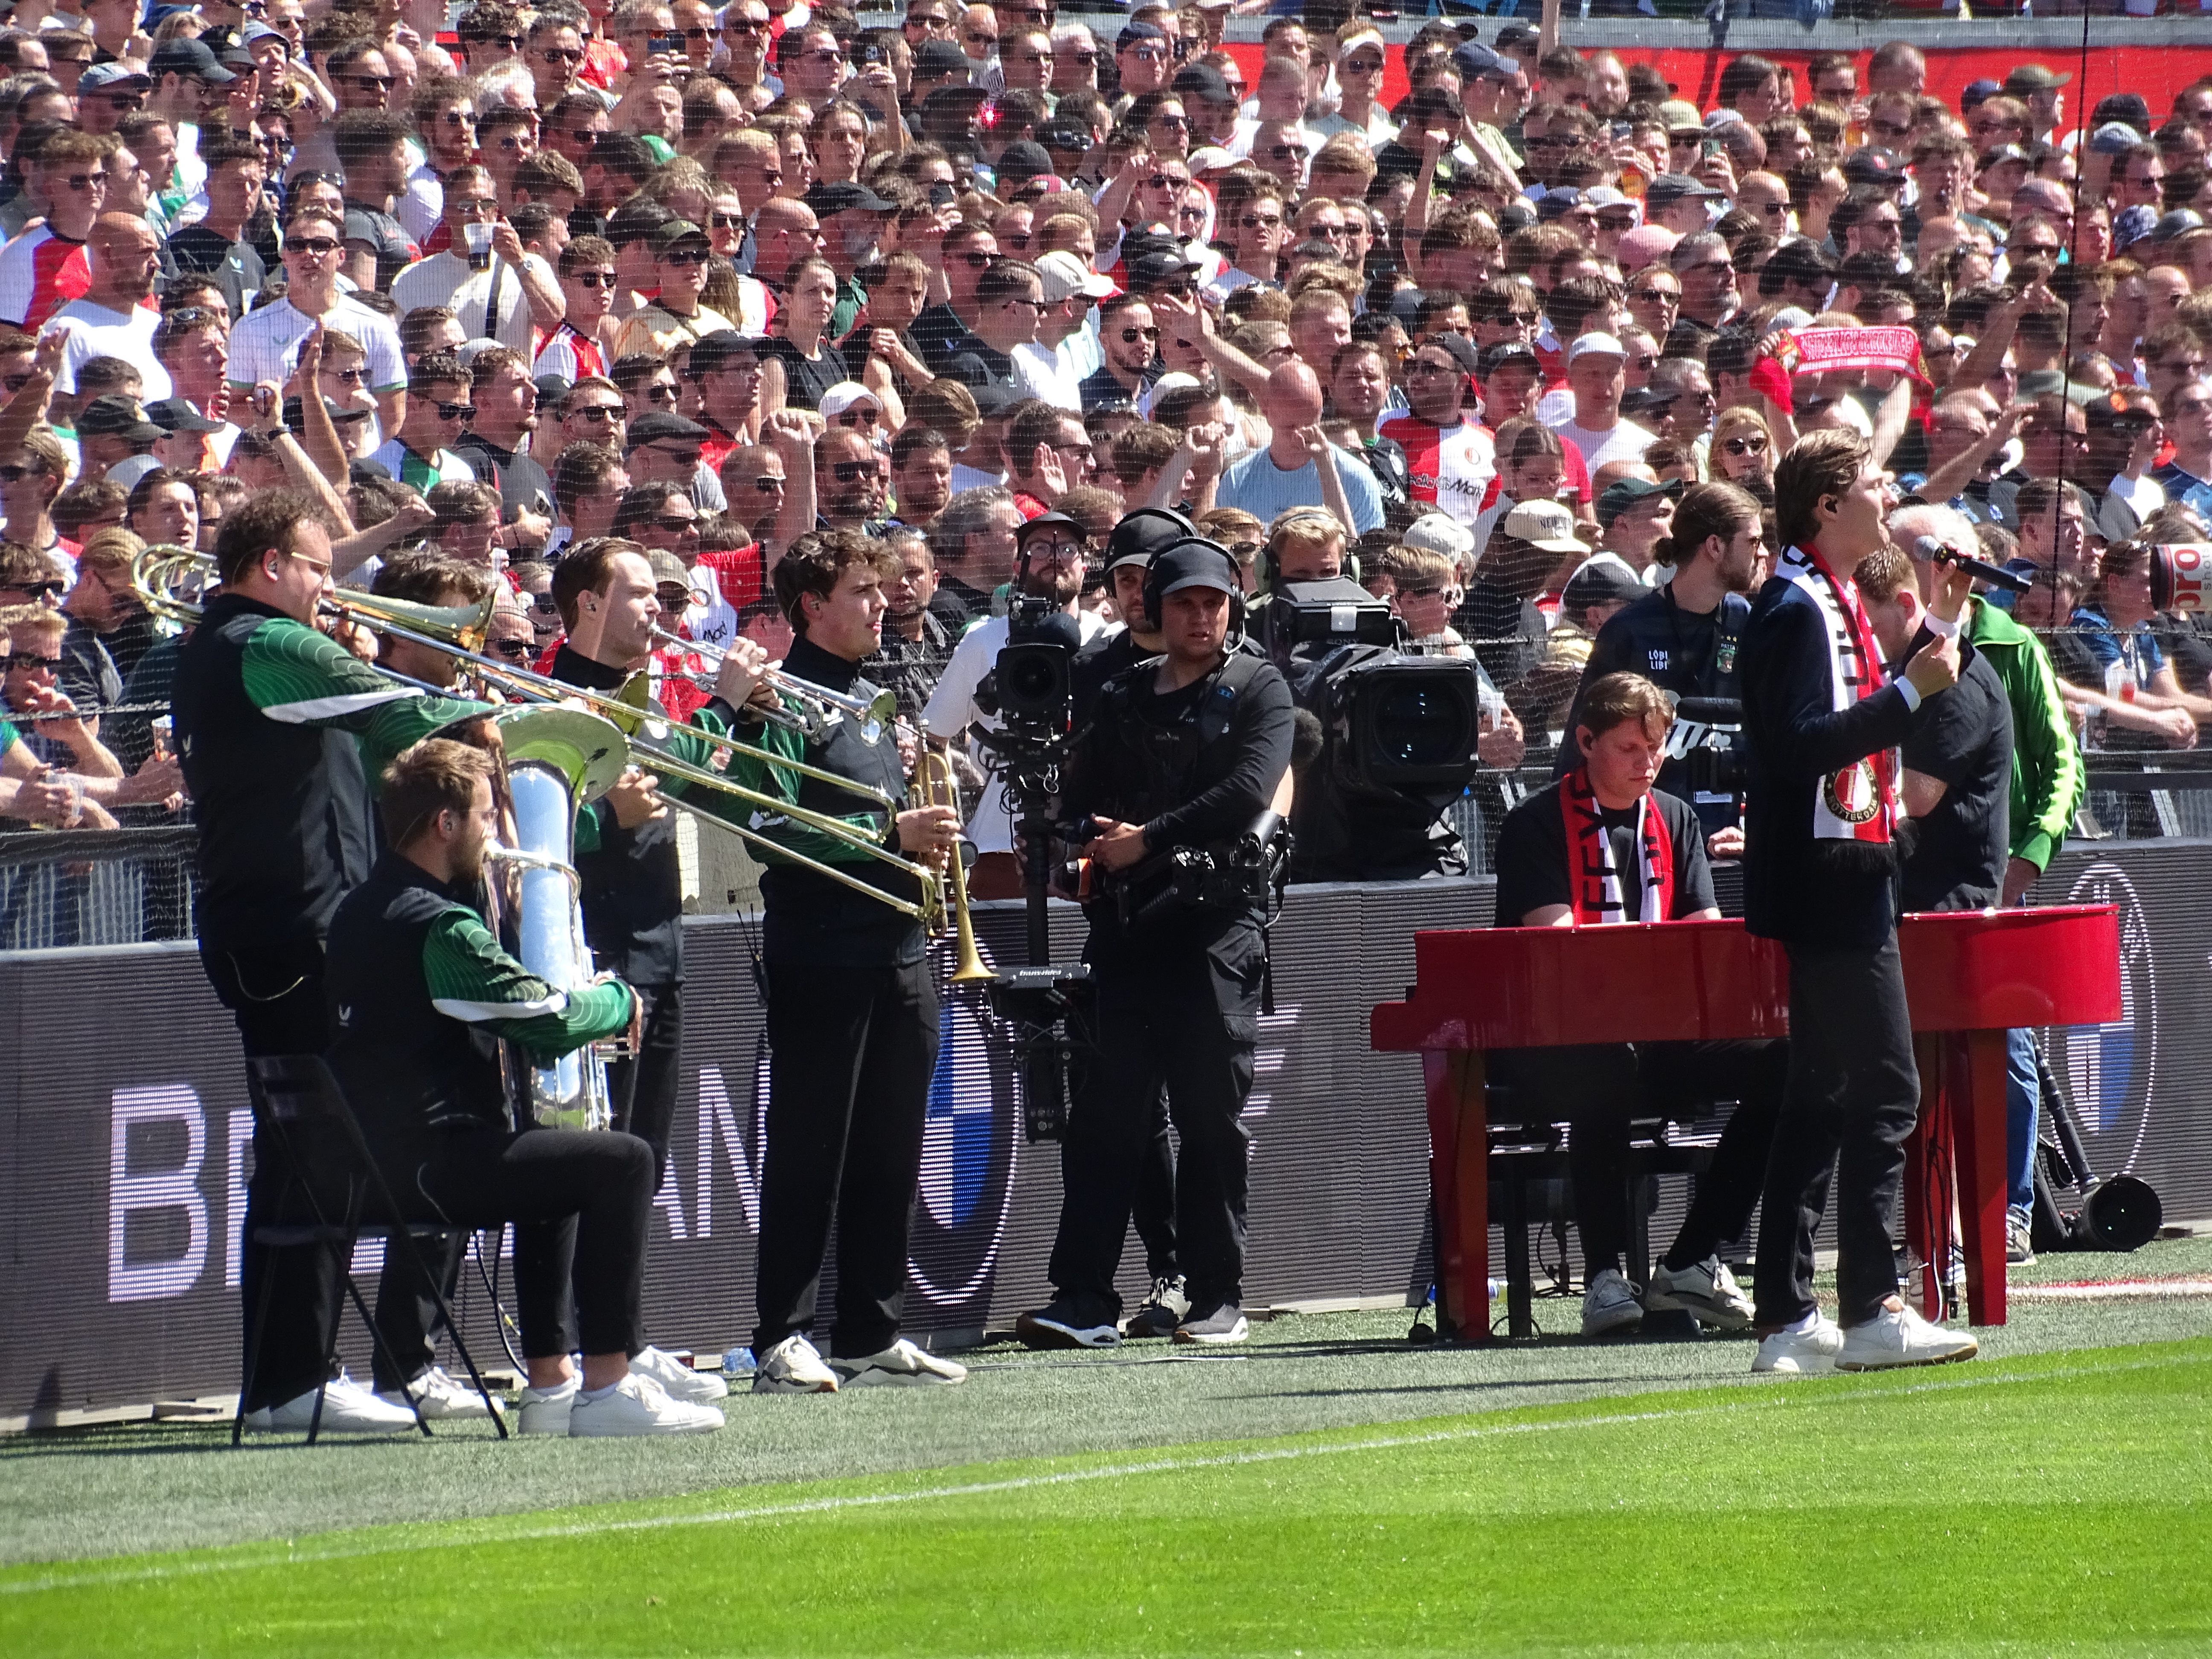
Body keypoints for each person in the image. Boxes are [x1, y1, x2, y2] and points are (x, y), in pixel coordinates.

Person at [171, 488, 492, 1434]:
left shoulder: (253, 647)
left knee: (306, 1157)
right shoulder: (262, 643)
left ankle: (293, 1377)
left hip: (283, 925)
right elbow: (403, 722)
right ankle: (290, 1381)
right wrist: (487, 712)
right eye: (317, 568)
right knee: (309, 1158)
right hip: (286, 930)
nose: (330, 586)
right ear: (270, 566)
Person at [324, 738, 725, 1436]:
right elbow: (550, 1019)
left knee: (555, 1147)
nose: (495, 833)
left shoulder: (360, 908)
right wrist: (618, 1001)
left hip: (366, 1166)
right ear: (444, 824)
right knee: (623, 1161)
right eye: (484, 815)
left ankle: (552, 1385)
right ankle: (606, 1385)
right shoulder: (440, 925)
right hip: (429, 1169)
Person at [1743, 429, 1980, 1376]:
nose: (1888, 493)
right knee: (1887, 1088)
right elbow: (1800, 745)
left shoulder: (1826, 594)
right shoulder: (1793, 607)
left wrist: (1924, 656)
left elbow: (1851, 716)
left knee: (1822, 1094)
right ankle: (1871, 1307)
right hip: (1830, 877)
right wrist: (1909, 692)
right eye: (1872, 484)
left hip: (1848, 867)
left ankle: (1788, 1319)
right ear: (1829, 506)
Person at [1018, 536, 1294, 1348]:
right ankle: (1082, 1297)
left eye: (1213, 603)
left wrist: (1149, 839)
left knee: (1211, 1121)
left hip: (1213, 933)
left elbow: (1248, 790)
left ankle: (1217, 1296)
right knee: (1105, 1121)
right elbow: (1076, 796)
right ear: (1153, 610)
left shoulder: (1259, 685)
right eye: (1183, 603)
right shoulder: (1122, 693)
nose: (1200, 617)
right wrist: (1084, 842)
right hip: (1125, 929)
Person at [512, 535, 757, 1430]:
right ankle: (568, 1362)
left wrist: (730, 714)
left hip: (660, 953)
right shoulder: (547, 697)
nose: (662, 611)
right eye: (642, 595)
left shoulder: (649, 697)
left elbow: (700, 788)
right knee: (579, 1163)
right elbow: (528, 833)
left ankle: (626, 1337)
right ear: (586, 605)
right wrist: (601, 817)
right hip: (587, 957)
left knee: (639, 1163)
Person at [720, 528, 971, 1391]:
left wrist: (926, 848)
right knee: (808, 1152)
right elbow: (769, 833)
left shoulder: (876, 700)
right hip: (820, 956)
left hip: (899, 951)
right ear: (812, 609)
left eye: (882, 588)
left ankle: (871, 1327)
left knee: (891, 1152)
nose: (883, 603)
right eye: (864, 591)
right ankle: (781, 1335)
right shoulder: (783, 704)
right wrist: (888, 835)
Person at [1490, 672, 1787, 1337]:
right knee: (1606, 1060)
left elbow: (1705, 936)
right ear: (1585, 742)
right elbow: (1559, 949)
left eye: (1656, 749)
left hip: (1664, 1033)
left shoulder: (1676, 817)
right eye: (1630, 748)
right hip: (1557, 1042)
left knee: (1789, 1065)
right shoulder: (1534, 823)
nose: (1648, 763)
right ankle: (1603, 1276)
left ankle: (1692, 1256)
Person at [1560, 481, 1764, 849]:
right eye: (1752, 541)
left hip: (1728, 841)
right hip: (1643, 843)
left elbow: (1771, 741)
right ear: (1715, 547)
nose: (1762, 553)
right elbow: (1581, 749)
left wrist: (1758, 830)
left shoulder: (1744, 620)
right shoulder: (1630, 631)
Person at [923, 511, 1109, 897]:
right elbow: (932, 741)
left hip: (1092, 841)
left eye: (1068, 548)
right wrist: (944, 827)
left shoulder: (1110, 641)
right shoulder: (983, 641)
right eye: (1040, 548)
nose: (1055, 556)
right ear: (1017, 565)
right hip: (1000, 843)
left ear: (1084, 565)